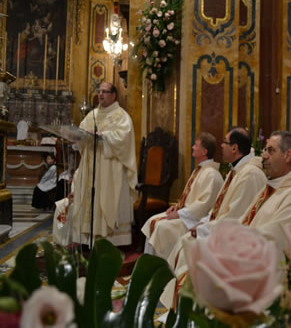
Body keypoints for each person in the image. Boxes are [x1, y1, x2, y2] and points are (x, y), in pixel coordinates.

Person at [162, 131, 291, 309]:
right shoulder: (271, 188)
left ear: (287, 155)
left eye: (271, 150)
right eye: (265, 150)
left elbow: (274, 239)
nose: (265, 155)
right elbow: (244, 221)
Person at [72, 82, 138, 247]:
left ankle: (112, 240)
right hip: (91, 166)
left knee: (107, 198)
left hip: (110, 169)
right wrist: (77, 136)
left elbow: (124, 138)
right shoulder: (92, 115)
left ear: (114, 95)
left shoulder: (121, 116)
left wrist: (104, 135)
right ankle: (89, 237)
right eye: (99, 91)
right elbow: (81, 131)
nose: (100, 95)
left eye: (105, 92)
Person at [141, 132, 224, 258]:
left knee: (161, 227)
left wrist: (180, 213)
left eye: (196, 145)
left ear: (204, 151)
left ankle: (162, 269)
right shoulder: (200, 170)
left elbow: (203, 205)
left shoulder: (211, 174)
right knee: (152, 221)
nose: (192, 147)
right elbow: (189, 197)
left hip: (195, 221)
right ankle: (148, 267)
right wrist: (177, 207)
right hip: (186, 215)